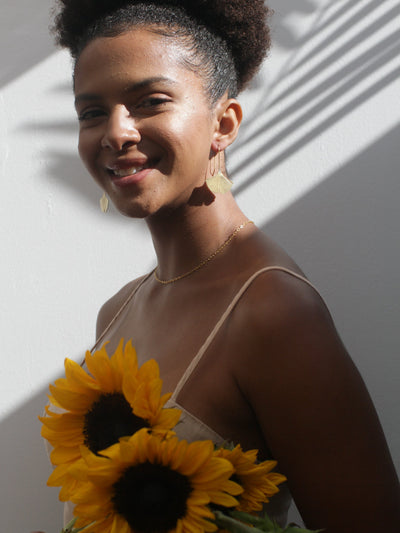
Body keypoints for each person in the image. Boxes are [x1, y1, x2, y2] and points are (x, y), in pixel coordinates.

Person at [35, 1, 400, 532]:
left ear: (223, 123)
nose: (116, 132)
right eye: (92, 112)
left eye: (149, 101)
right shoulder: (116, 312)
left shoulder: (273, 312)